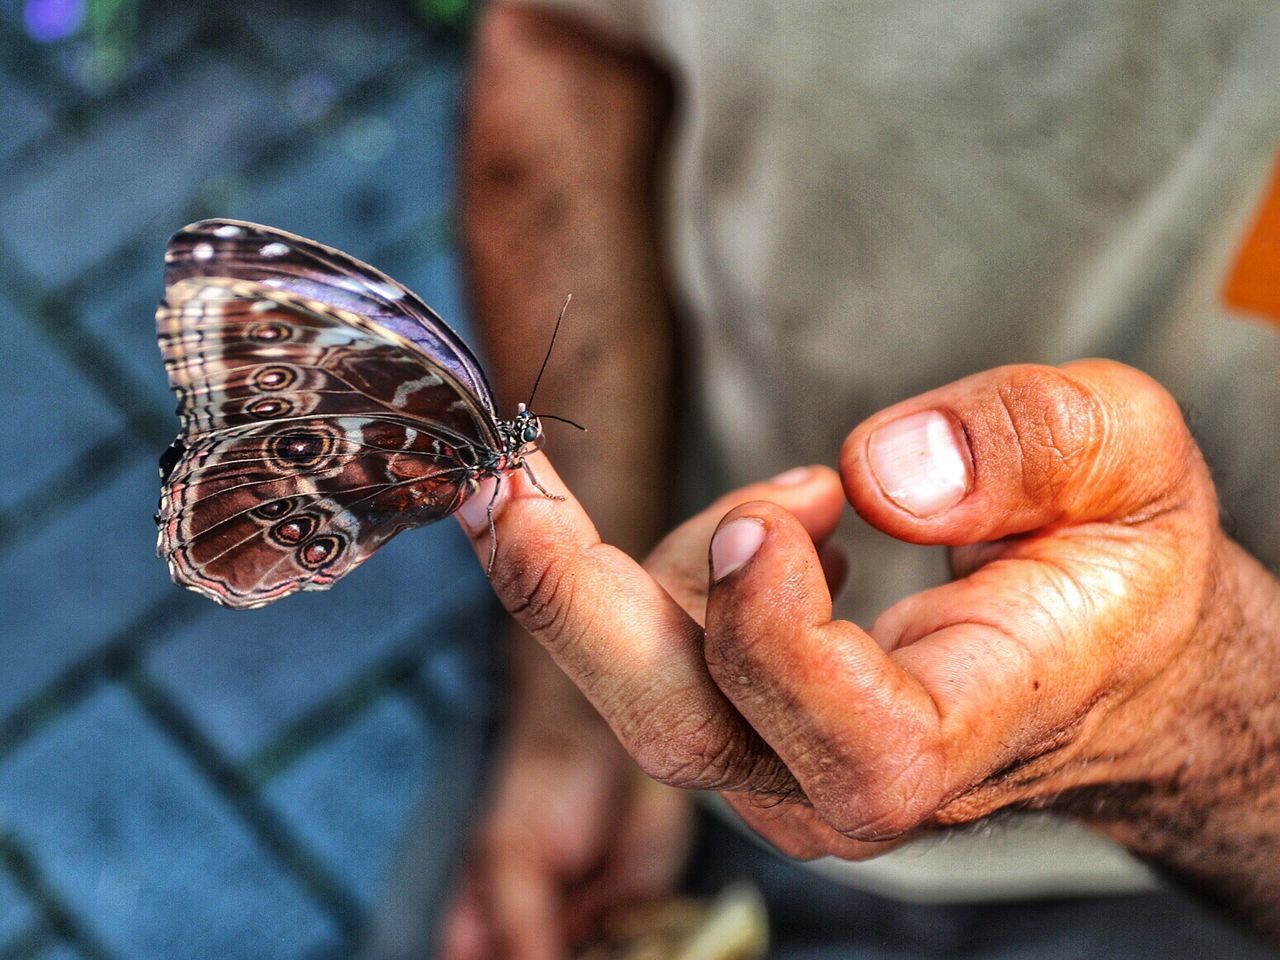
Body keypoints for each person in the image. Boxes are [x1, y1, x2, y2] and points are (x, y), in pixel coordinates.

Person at [441, 2, 1280, 957]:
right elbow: (561, 38)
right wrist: (573, 705)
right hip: (655, 678)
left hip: (1173, 886)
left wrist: (1195, 722)